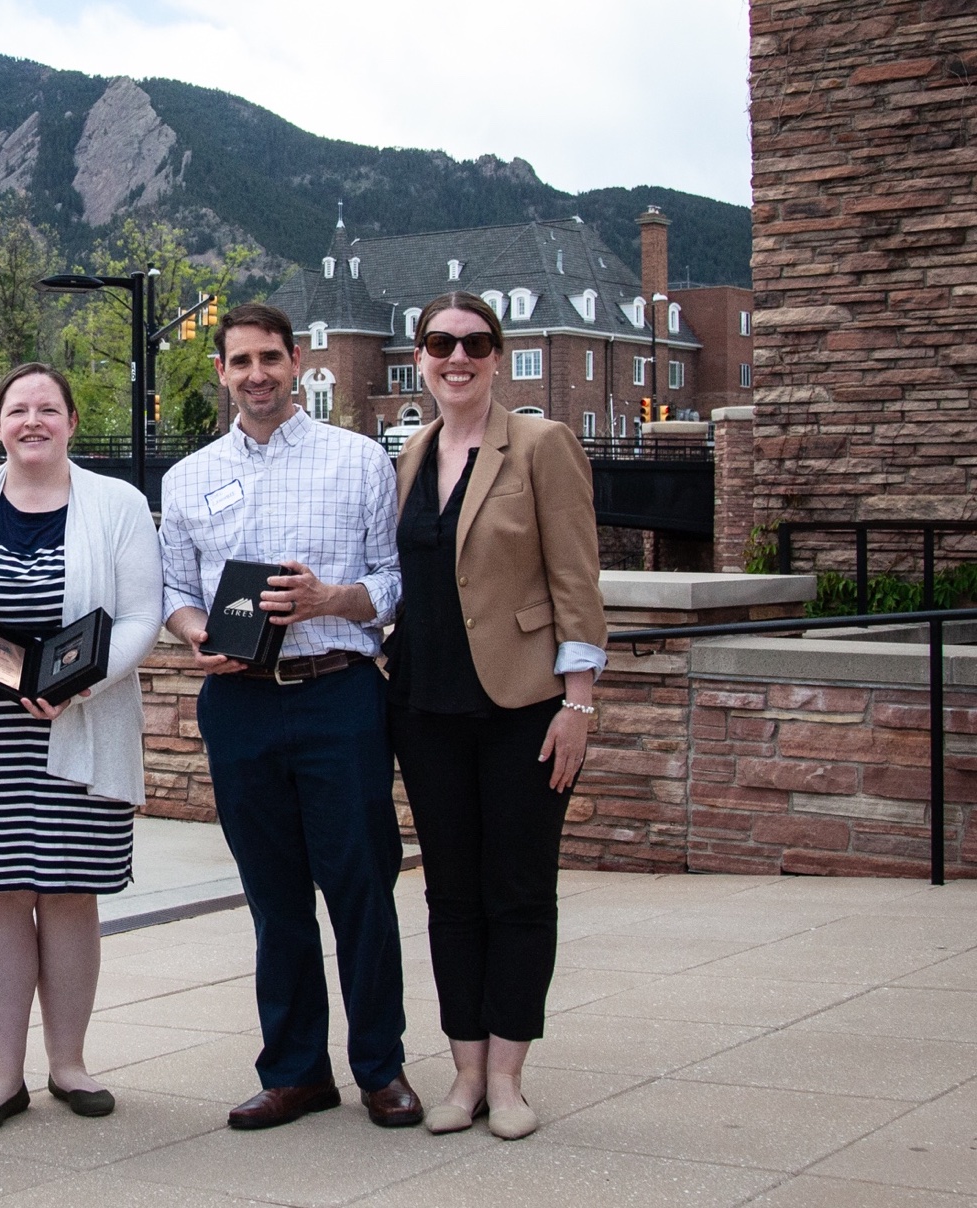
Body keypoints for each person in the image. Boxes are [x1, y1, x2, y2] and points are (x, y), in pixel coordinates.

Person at [157, 302, 419, 1132]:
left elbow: (393, 581)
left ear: (296, 361)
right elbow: (174, 591)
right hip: (238, 708)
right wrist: (198, 634)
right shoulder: (188, 476)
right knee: (273, 899)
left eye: (270, 357)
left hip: (338, 693)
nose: (257, 374)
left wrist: (331, 598)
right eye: (240, 361)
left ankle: (381, 1067)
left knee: (360, 890)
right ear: (221, 372)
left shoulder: (358, 461)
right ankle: (295, 1071)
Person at [0, 363, 162, 1134]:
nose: (32, 421)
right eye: (17, 409)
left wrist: (81, 682)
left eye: (47, 408)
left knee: (66, 893)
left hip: (76, 730)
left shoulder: (116, 504)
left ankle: (68, 1063)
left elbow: (139, 614)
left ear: (71, 421)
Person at [386, 293, 605, 1141]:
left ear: (497, 355)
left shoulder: (542, 445)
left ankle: (509, 1076)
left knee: (518, 891)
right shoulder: (410, 453)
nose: (457, 356)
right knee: (449, 895)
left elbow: (576, 580)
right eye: (441, 343)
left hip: (522, 707)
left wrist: (577, 701)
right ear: (421, 355)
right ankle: (464, 1071)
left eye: (474, 343)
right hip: (424, 706)